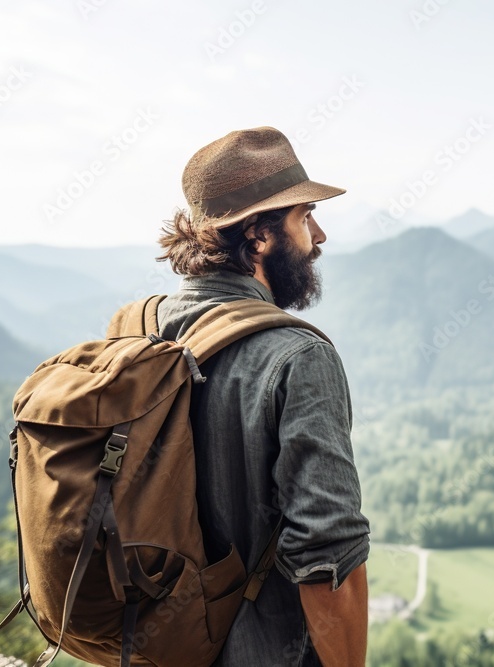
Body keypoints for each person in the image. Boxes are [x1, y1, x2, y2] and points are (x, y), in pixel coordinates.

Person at [155, 126, 370, 666]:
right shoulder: (298, 358)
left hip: (164, 647)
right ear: (258, 235)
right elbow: (328, 556)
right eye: (304, 217)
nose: (318, 236)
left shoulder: (145, 331)